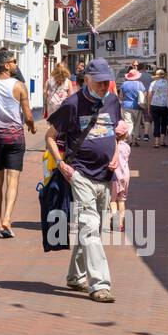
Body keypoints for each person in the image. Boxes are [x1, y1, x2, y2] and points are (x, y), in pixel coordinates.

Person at [45, 57, 122, 303]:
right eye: (98, 82)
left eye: (106, 82)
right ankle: (100, 284)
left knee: (94, 228)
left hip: (105, 175)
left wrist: (117, 155)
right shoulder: (72, 104)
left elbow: (117, 134)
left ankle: (75, 276)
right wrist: (61, 164)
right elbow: (50, 136)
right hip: (80, 173)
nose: (103, 86)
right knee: (89, 225)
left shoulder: (112, 100)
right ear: (87, 80)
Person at [0, 49, 37, 238]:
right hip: (15, 138)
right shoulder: (19, 86)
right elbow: (28, 115)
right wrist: (32, 127)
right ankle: (7, 219)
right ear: (6, 65)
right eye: (13, 61)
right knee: (13, 181)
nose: (15, 64)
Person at [109, 119, 132, 232]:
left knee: (112, 200)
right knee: (122, 200)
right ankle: (121, 224)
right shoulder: (127, 147)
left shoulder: (111, 146)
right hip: (125, 176)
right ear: (126, 134)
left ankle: (114, 219)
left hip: (114, 176)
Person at [147, 68, 168, 147]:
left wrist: (149, 107)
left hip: (154, 105)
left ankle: (156, 142)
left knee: (156, 122)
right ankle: (162, 141)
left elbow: (149, 95)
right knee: (164, 122)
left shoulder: (153, 83)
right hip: (164, 105)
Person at [120, 67, 147, 143]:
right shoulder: (140, 84)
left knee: (128, 123)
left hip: (126, 106)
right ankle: (134, 140)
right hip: (138, 106)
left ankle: (129, 139)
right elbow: (145, 94)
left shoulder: (124, 84)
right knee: (137, 123)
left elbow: (121, 96)